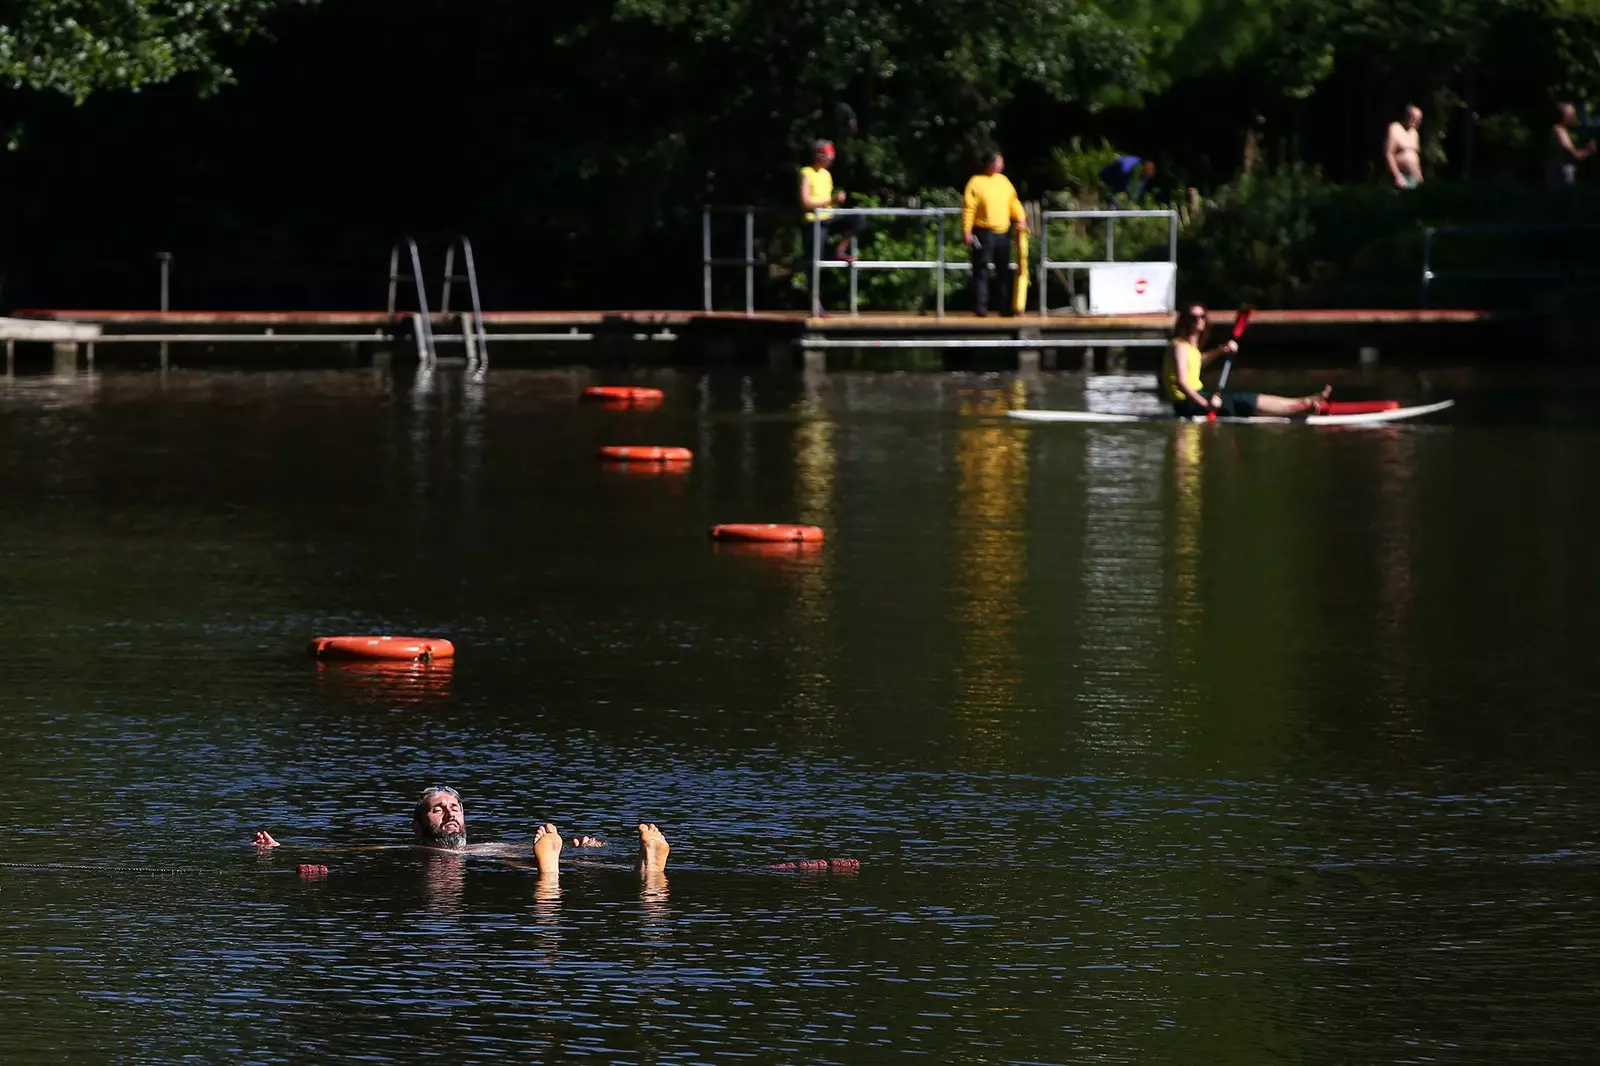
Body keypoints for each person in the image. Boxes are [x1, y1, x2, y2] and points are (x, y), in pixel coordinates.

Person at [251, 785, 665, 876]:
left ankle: (647, 868)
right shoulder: (414, 849)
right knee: (536, 864)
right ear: (418, 826)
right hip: (508, 858)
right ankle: (650, 877)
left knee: (540, 861)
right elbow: (355, 849)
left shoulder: (490, 845)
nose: (449, 815)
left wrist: (582, 843)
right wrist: (283, 848)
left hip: (498, 855)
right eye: (437, 810)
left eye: (455, 808)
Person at [1163, 304, 1331, 418]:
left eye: (1201, 316)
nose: (1199, 320)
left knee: (1243, 397)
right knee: (1242, 400)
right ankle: (1298, 410)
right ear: (1185, 321)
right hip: (1188, 404)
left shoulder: (1190, 348)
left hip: (1198, 397)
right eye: (1193, 317)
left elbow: (1197, 362)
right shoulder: (1179, 346)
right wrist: (1206, 404)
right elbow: (1182, 382)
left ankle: (1302, 402)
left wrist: (1221, 350)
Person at [961, 150, 1028, 317]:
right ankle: (980, 307)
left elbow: (1013, 202)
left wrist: (1020, 218)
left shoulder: (1004, 181)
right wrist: (967, 230)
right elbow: (969, 208)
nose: (1002, 165)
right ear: (990, 164)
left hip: (1002, 233)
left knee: (1003, 270)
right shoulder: (976, 182)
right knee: (981, 268)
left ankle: (1005, 307)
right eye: (999, 162)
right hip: (983, 231)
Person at [799, 139, 861, 266]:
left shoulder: (827, 174)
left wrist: (837, 200)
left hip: (829, 218)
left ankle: (839, 250)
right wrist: (832, 200)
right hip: (814, 221)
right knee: (814, 261)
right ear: (819, 156)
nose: (831, 162)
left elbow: (827, 201)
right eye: (828, 158)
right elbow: (806, 203)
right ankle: (813, 283)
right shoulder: (806, 173)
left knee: (857, 219)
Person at [1546, 102, 1595, 191]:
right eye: (1571, 113)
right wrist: (1590, 150)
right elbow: (1575, 155)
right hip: (1561, 173)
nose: (1574, 116)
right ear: (1563, 115)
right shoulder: (1560, 132)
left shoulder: (1560, 130)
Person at [1385, 105, 1424, 190]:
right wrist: (1397, 176)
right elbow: (1389, 154)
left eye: (1419, 119)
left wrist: (1419, 175)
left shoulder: (1415, 133)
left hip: (1414, 178)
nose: (1416, 121)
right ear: (1406, 116)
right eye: (1413, 117)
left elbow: (1416, 156)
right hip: (1400, 177)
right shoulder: (1395, 128)